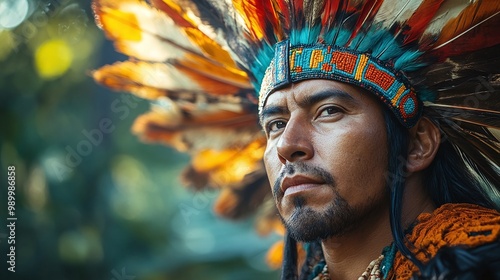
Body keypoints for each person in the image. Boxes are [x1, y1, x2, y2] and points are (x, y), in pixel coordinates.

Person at [92, 0, 500, 279]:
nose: (288, 145)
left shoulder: (481, 260)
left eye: (328, 111)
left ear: (417, 145)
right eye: (274, 124)